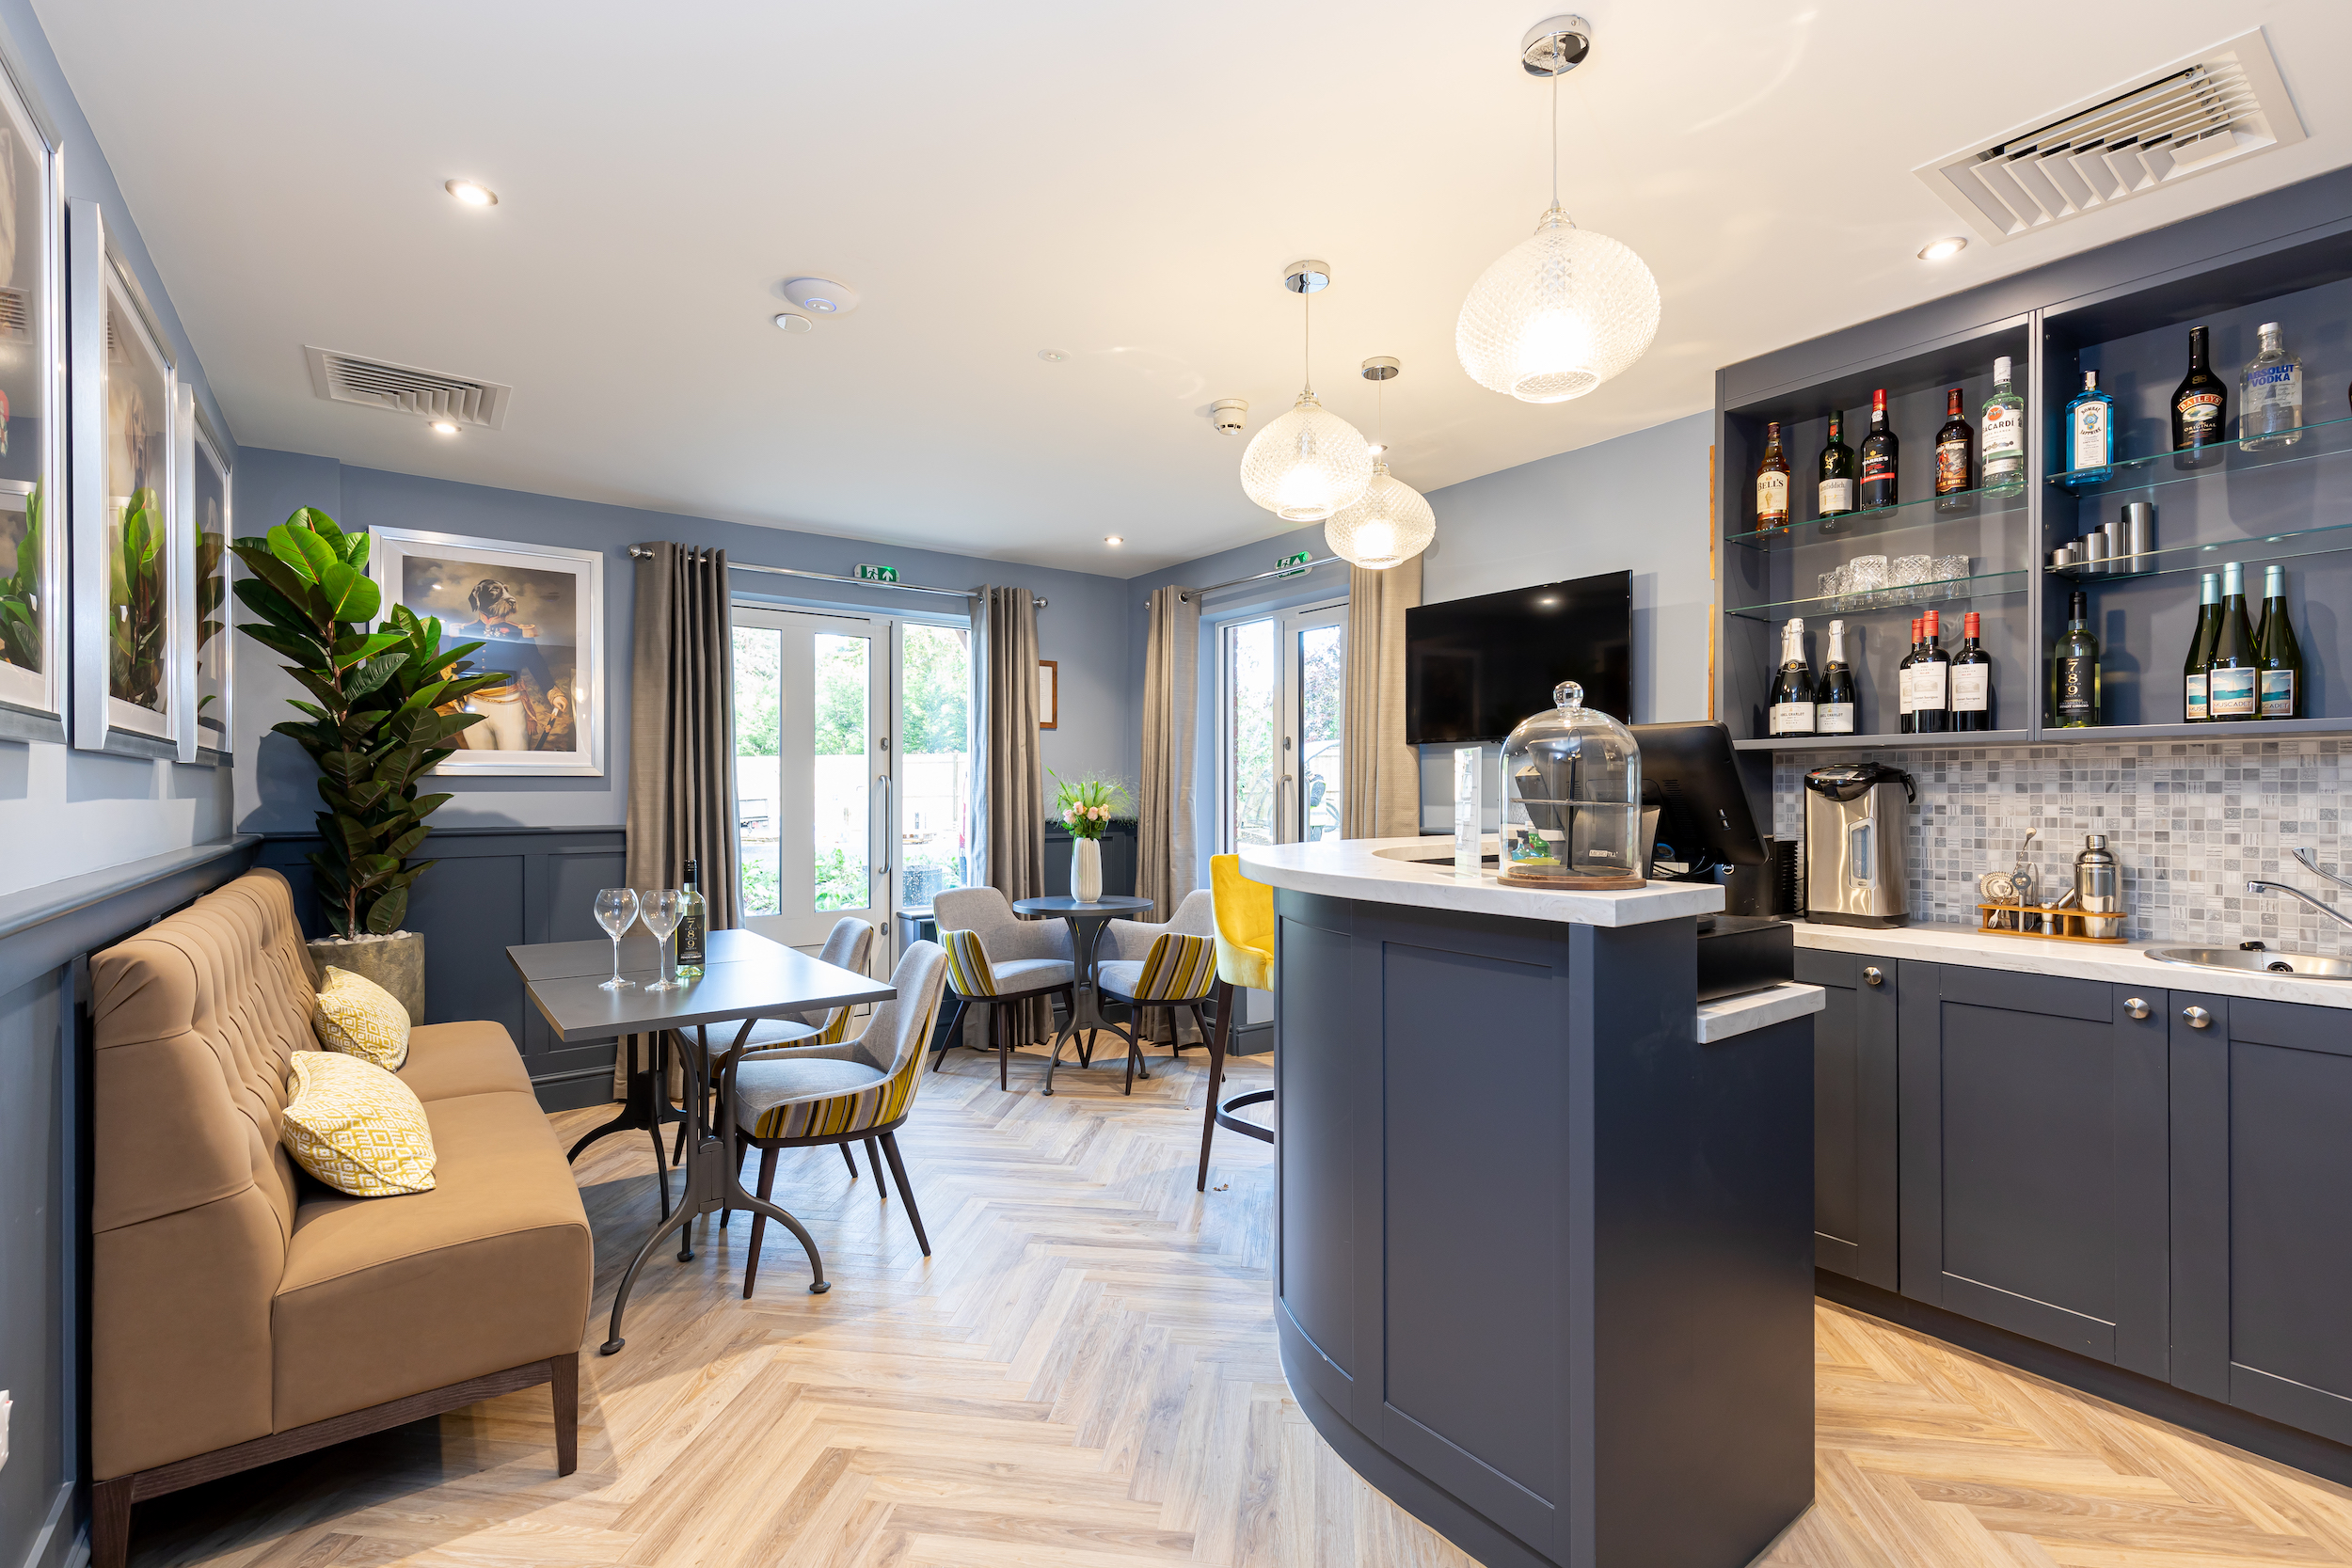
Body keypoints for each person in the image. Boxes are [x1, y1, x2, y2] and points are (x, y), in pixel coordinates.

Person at [450, 578, 556, 751]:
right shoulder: (463, 632)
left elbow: (536, 663)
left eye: (506, 592)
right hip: (472, 705)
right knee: (480, 765)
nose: (509, 598)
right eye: (496, 592)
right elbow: (450, 668)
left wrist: (553, 692)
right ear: (478, 598)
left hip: (510, 705)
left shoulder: (519, 632)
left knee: (516, 763)